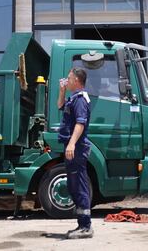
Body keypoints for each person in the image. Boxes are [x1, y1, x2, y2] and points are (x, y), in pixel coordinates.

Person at [57, 67, 93, 239]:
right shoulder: (73, 98)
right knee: (73, 186)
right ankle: (81, 224)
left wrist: (71, 144)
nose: (67, 80)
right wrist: (62, 91)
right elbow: (60, 105)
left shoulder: (80, 100)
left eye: (69, 78)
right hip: (72, 147)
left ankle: (86, 227)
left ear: (77, 80)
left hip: (77, 148)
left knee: (79, 185)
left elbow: (80, 123)